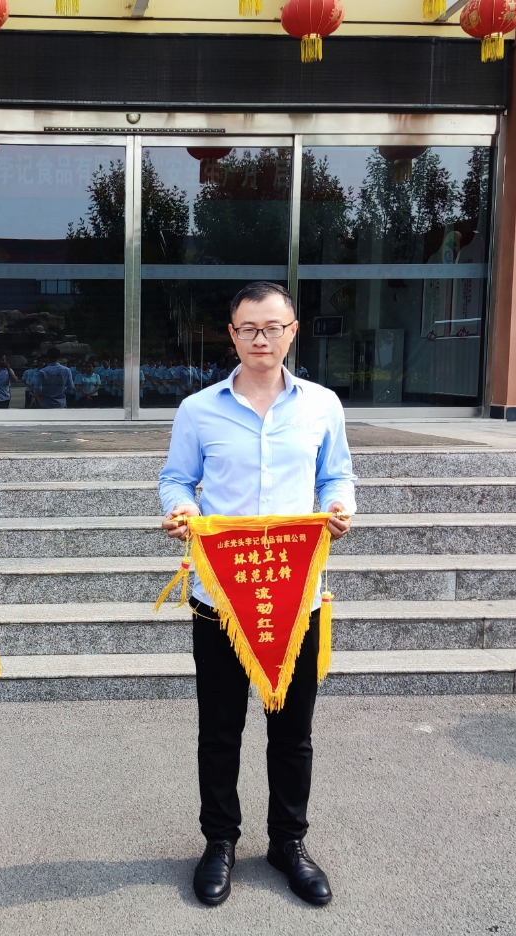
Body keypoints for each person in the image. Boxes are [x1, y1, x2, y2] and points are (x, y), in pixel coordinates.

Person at [158, 281, 355, 909]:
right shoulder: (198, 410)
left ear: (292, 332)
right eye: (248, 328)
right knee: (220, 729)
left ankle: (288, 843)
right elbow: (176, 478)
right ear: (232, 334)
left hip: (297, 598)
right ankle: (219, 841)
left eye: (273, 327)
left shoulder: (322, 405)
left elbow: (336, 475)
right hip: (220, 595)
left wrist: (338, 506)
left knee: (292, 731)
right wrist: (182, 509)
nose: (261, 338)